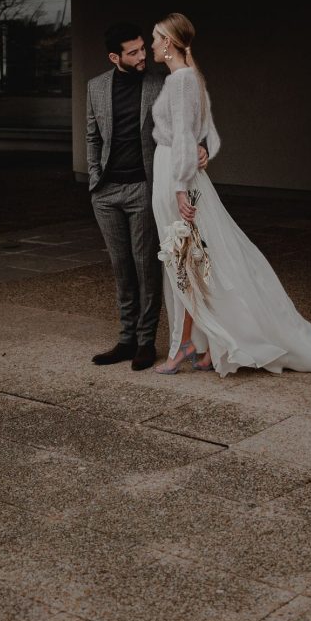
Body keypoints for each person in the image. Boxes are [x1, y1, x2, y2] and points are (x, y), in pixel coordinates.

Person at [150, 13, 311, 376]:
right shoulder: (186, 78)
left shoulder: (181, 81)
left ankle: (182, 348)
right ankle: (207, 346)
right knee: (192, 263)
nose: (154, 44)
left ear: (169, 42)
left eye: (157, 38)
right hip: (173, 172)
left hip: (175, 177)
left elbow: (187, 138)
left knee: (185, 264)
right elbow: (199, 135)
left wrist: (178, 189)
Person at [87, 21, 207, 371]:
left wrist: (203, 147)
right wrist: (95, 179)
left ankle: (145, 341)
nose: (143, 56)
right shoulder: (95, 87)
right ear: (115, 57)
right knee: (120, 266)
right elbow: (92, 137)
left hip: (144, 186)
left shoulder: (160, 83)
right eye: (134, 52)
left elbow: (189, 119)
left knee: (146, 267)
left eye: (144, 48)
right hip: (106, 193)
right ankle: (125, 339)